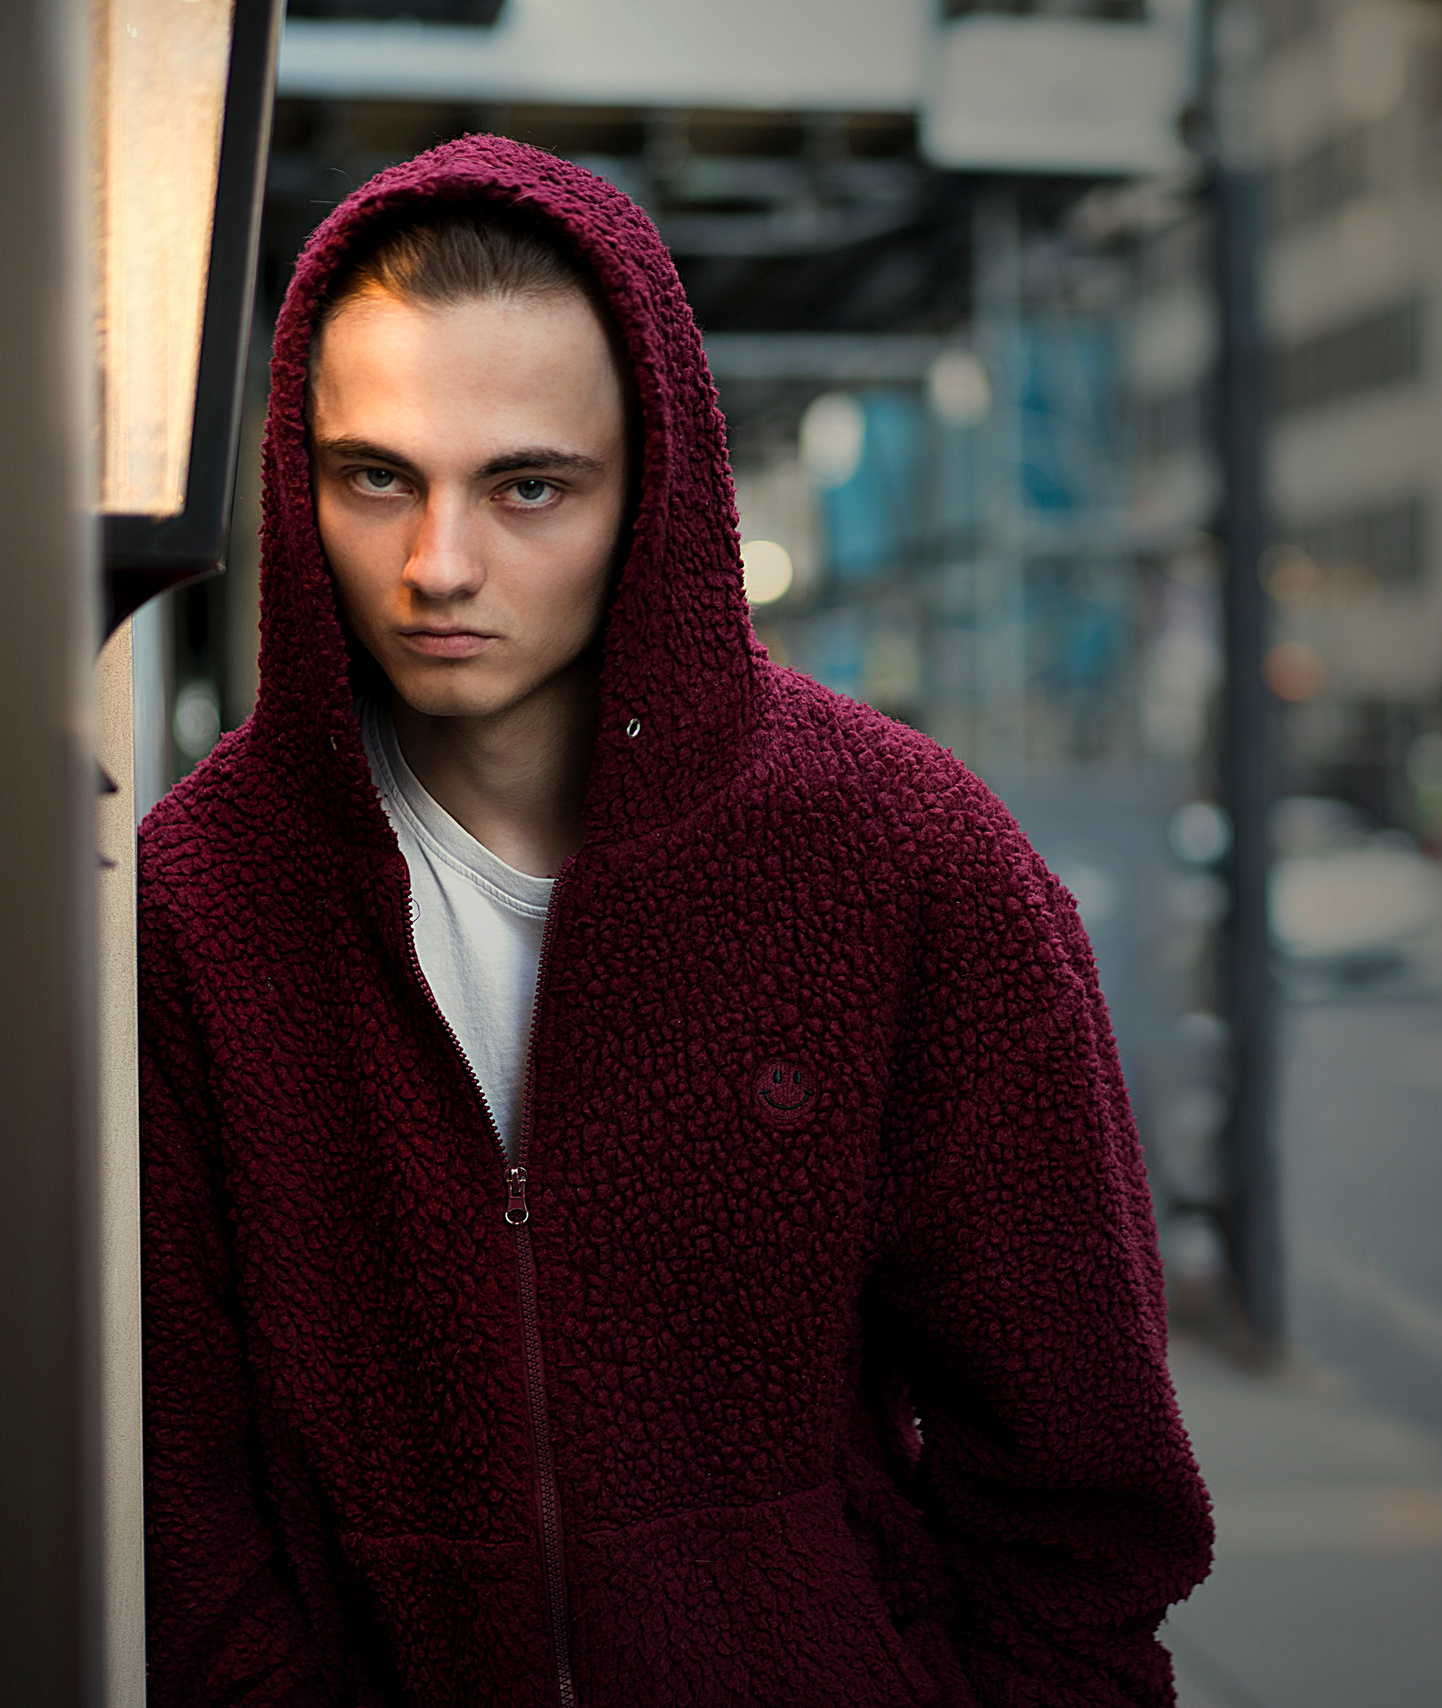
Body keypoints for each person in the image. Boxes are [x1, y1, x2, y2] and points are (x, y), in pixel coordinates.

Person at [140, 135, 1211, 1708]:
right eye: (377, 478)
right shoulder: (195, 907)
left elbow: (1081, 1493)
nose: (441, 565)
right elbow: (179, 1515)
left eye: (528, 487)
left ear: (656, 488)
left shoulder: (908, 863)